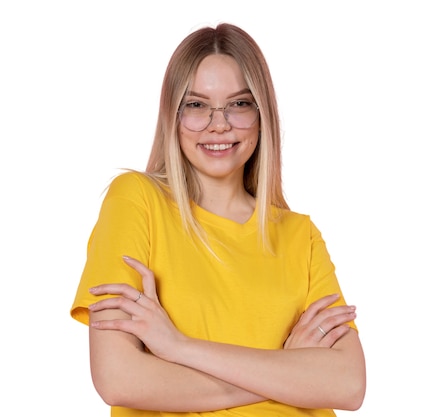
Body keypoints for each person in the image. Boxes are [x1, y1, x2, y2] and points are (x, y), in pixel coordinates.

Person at [70, 23, 366, 416]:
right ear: (171, 116)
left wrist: (178, 348)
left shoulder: (301, 236)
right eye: (196, 105)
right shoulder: (135, 201)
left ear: (263, 116)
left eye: (239, 104)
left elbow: (347, 385)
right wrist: (285, 367)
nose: (219, 123)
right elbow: (119, 378)